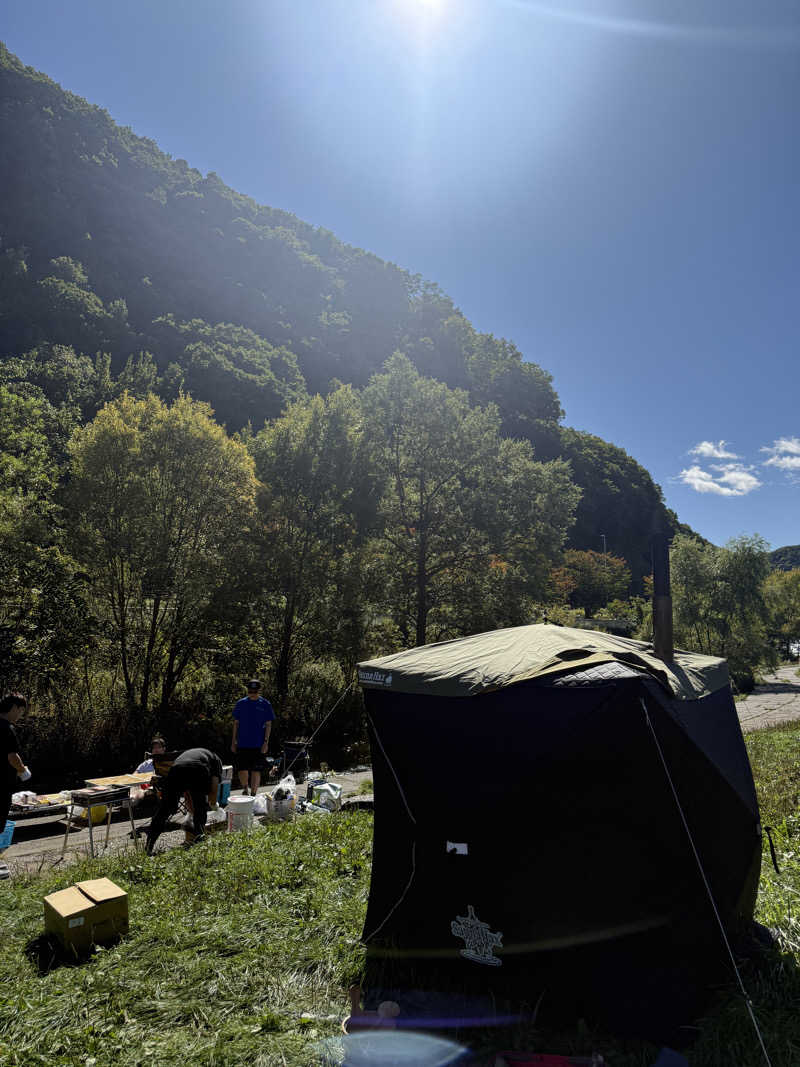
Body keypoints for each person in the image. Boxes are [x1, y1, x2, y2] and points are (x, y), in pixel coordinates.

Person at [145, 747, 222, 855]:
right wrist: (214, 806)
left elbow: (187, 792)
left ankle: (148, 847)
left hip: (176, 769)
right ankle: (199, 843)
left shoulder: (195, 754)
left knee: (165, 809)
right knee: (200, 806)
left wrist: (191, 812)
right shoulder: (216, 760)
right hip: (198, 769)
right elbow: (214, 786)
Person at [0, 692, 32, 880]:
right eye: (20, 711)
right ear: (14, 708)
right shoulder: (6, 728)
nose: (20, 715)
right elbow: (12, 757)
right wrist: (22, 771)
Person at [231, 679, 274, 796]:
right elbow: (236, 723)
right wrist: (233, 741)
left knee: (256, 770)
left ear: (259, 691)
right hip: (242, 743)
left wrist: (266, 742)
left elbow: (269, 724)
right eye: (250, 691)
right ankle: (245, 788)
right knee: (242, 769)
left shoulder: (265, 704)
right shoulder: (241, 703)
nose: (252, 694)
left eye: (255, 691)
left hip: (258, 743)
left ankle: (254, 794)